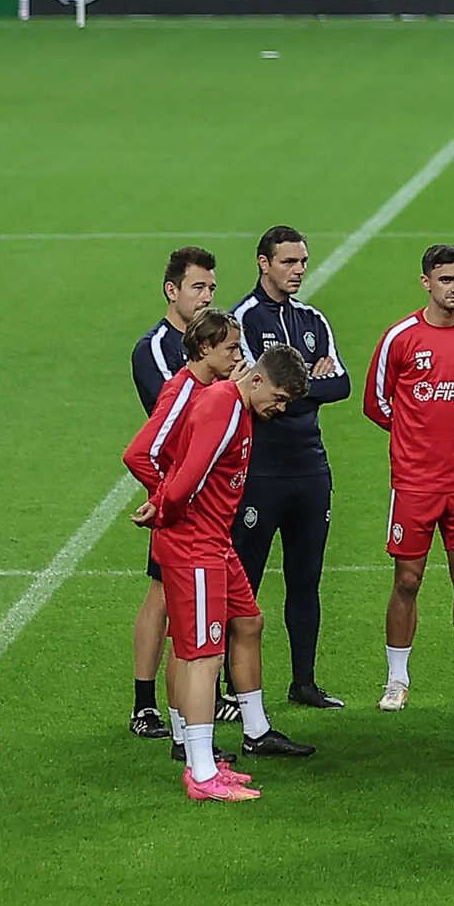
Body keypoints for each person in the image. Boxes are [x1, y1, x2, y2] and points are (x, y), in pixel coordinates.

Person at [126, 344, 315, 801]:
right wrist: (165, 506)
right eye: (280, 397)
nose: (281, 407)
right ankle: (202, 771)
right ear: (257, 380)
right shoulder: (226, 407)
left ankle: (244, 736)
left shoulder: (235, 405)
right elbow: (191, 472)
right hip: (195, 544)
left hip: (216, 542)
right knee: (202, 656)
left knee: (248, 620)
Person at [364, 244, 454, 712]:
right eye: (446, 280)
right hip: (414, 483)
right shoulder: (400, 338)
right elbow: (377, 404)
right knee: (407, 580)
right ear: (427, 283)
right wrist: (414, 439)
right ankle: (396, 680)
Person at [229, 225, 349, 709]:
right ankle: (231, 689)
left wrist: (291, 390)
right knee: (245, 581)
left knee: (307, 577)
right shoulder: (243, 319)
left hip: (310, 470)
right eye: (288, 262)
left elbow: (340, 384)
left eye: (302, 261)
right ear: (263, 262)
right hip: (260, 471)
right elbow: (255, 392)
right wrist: (306, 384)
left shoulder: (313, 320)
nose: (298, 270)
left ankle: (304, 682)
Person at [123, 307, 249, 762]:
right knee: (190, 639)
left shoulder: (206, 389)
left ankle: (183, 737)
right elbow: (140, 453)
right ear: (204, 349)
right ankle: (187, 742)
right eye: (232, 347)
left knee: (186, 633)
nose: (240, 355)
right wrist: (169, 497)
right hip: (184, 531)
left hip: (190, 525)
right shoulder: (182, 391)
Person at [126, 245, 218, 739]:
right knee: (163, 594)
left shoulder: (210, 343)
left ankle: (201, 696)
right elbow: (178, 415)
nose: (205, 296)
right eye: (197, 287)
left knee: (201, 595)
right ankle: (146, 706)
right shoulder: (157, 349)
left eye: (210, 288)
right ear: (172, 290)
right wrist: (167, 496)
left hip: (206, 491)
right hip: (175, 490)